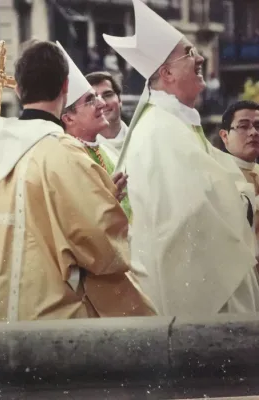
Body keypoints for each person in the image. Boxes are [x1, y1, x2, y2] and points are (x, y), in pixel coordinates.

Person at [0, 39, 156, 323]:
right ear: (65, 87)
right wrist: (107, 205)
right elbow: (101, 247)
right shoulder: (67, 154)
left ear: (18, 90)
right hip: (50, 316)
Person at [104, 0, 259, 316]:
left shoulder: (173, 121)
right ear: (167, 73)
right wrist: (243, 199)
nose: (200, 56)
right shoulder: (161, 129)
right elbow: (189, 214)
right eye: (190, 54)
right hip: (189, 288)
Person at [56, 41, 132, 222]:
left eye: (105, 96)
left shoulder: (105, 154)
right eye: (91, 100)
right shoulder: (64, 157)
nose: (102, 104)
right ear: (68, 118)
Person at [218, 101, 259, 257]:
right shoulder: (216, 174)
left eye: (258, 126)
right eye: (243, 126)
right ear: (225, 135)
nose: (254, 132)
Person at [85, 71, 128, 158]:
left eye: (108, 95)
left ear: (120, 100)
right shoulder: (82, 151)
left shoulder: (143, 138)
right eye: (93, 99)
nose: (102, 103)